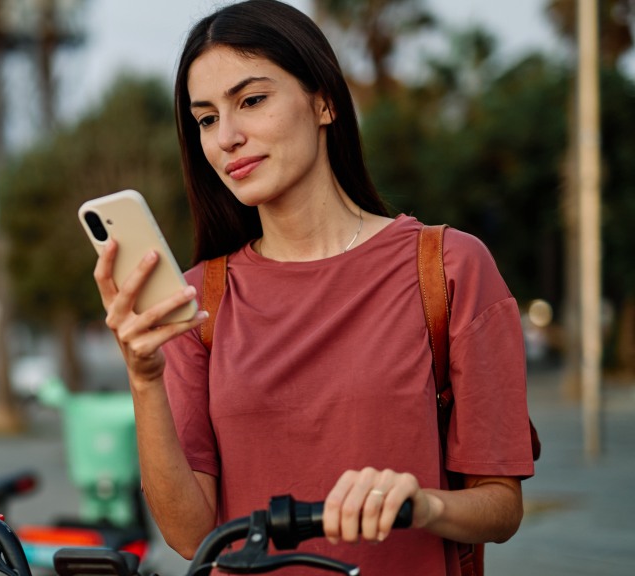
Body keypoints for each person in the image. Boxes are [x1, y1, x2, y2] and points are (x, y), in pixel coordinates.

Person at [91, 1, 536, 574]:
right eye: (205, 119)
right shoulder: (197, 301)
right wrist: (143, 378)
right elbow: (189, 535)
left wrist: (423, 504)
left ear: (324, 102)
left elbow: (501, 508)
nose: (227, 137)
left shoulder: (448, 267)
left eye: (252, 100)